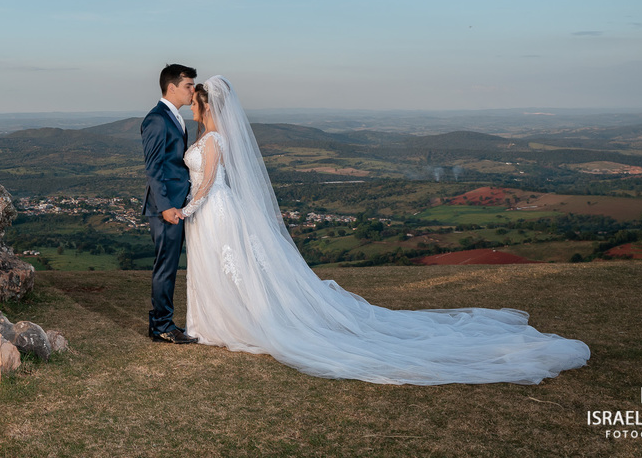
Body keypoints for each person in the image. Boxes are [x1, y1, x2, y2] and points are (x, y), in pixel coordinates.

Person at [178, 75, 591, 384]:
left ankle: (224, 323)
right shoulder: (213, 134)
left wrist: (186, 210)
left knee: (225, 265)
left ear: (205, 105)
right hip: (212, 211)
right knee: (220, 267)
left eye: (195, 103)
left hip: (212, 209)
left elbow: (211, 181)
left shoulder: (213, 140)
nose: (192, 108)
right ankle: (212, 321)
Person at [140, 63, 199, 344]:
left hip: (179, 204)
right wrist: (165, 206)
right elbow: (153, 168)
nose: (193, 91)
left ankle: (163, 323)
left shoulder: (175, 118)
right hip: (166, 209)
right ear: (172, 87)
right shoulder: (157, 119)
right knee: (166, 266)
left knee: (172, 265)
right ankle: (162, 326)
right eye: (188, 85)